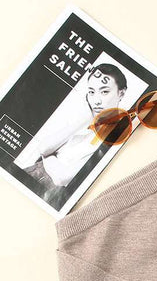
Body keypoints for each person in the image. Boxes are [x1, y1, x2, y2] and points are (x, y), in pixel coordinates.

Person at [21, 63, 128, 211]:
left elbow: (62, 178)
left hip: (49, 193)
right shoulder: (81, 115)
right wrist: (85, 120)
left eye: (104, 92)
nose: (96, 100)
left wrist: (48, 155)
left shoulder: (116, 133)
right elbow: (43, 147)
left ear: (121, 93)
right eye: (92, 92)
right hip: (30, 172)